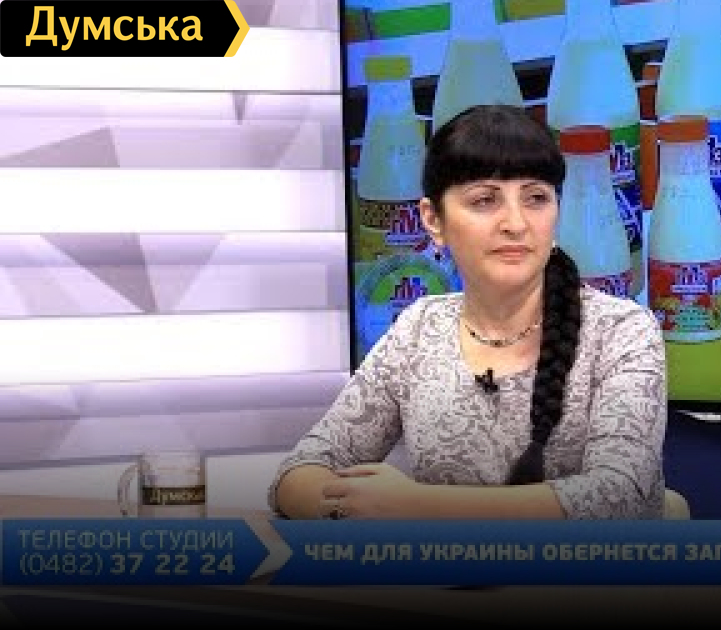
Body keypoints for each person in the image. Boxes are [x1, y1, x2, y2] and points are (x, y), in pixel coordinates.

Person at [269, 104, 667, 520]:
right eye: (485, 200)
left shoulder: (623, 330)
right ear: (433, 221)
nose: (516, 223)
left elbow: (619, 499)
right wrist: (349, 509)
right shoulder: (419, 327)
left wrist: (412, 507)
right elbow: (300, 473)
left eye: (536, 198)